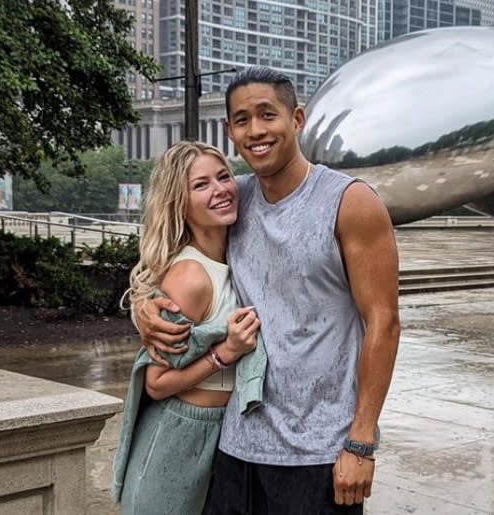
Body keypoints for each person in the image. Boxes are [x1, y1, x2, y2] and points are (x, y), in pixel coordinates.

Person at [135, 67, 400, 514]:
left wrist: (361, 442)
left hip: (319, 454)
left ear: (296, 119)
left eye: (267, 115)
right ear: (230, 131)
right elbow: (168, 249)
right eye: (242, 120)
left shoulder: (350, 202)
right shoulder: (232, 199)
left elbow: (384, 322)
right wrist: (144, 305)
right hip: (235, 448)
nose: (256, 130)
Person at [112, 141, 262, 514]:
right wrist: (223, 354)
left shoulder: (236, 257)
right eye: (201, 185)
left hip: (224, 436)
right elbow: (156, 383)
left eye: (224, 177)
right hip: (178, 436)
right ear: (179, 202)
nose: (220, 190)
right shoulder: (191, 276)